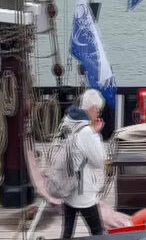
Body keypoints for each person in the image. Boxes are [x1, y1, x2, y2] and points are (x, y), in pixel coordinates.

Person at [60, 89, 106, 238]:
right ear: (92, 108)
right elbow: (99, 161)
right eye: (98, 111)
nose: (98, 115)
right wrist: (96, 133)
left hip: (67, 187)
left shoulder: (67, 122)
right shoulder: (86, 131)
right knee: (98, 232)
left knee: (67, 233)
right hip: (83, 190)